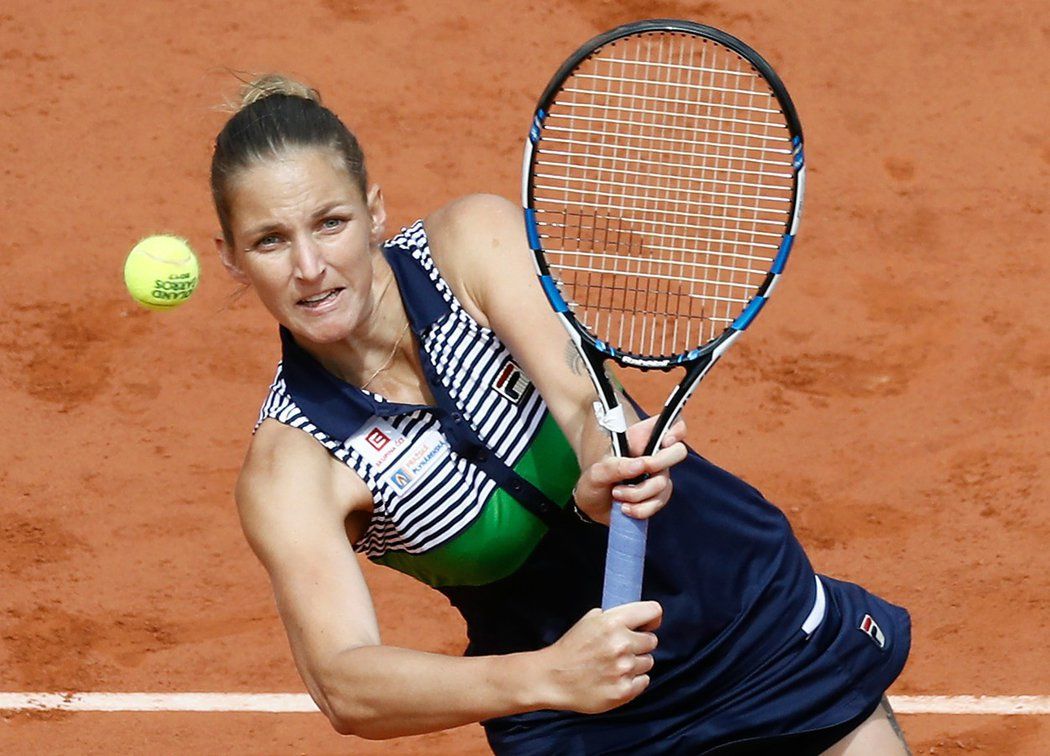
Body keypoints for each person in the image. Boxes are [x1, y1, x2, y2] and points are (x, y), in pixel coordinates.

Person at [211, 74, 912, 754]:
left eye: (330, 223)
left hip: (747, 617)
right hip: (580, 721)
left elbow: (579, 395)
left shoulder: (467, 248)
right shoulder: (293, 465)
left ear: (375, 211)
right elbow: (344, 684)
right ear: (232, 260)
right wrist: (548, 675)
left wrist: (601, 456)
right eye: (270, 240)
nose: (310, 266)